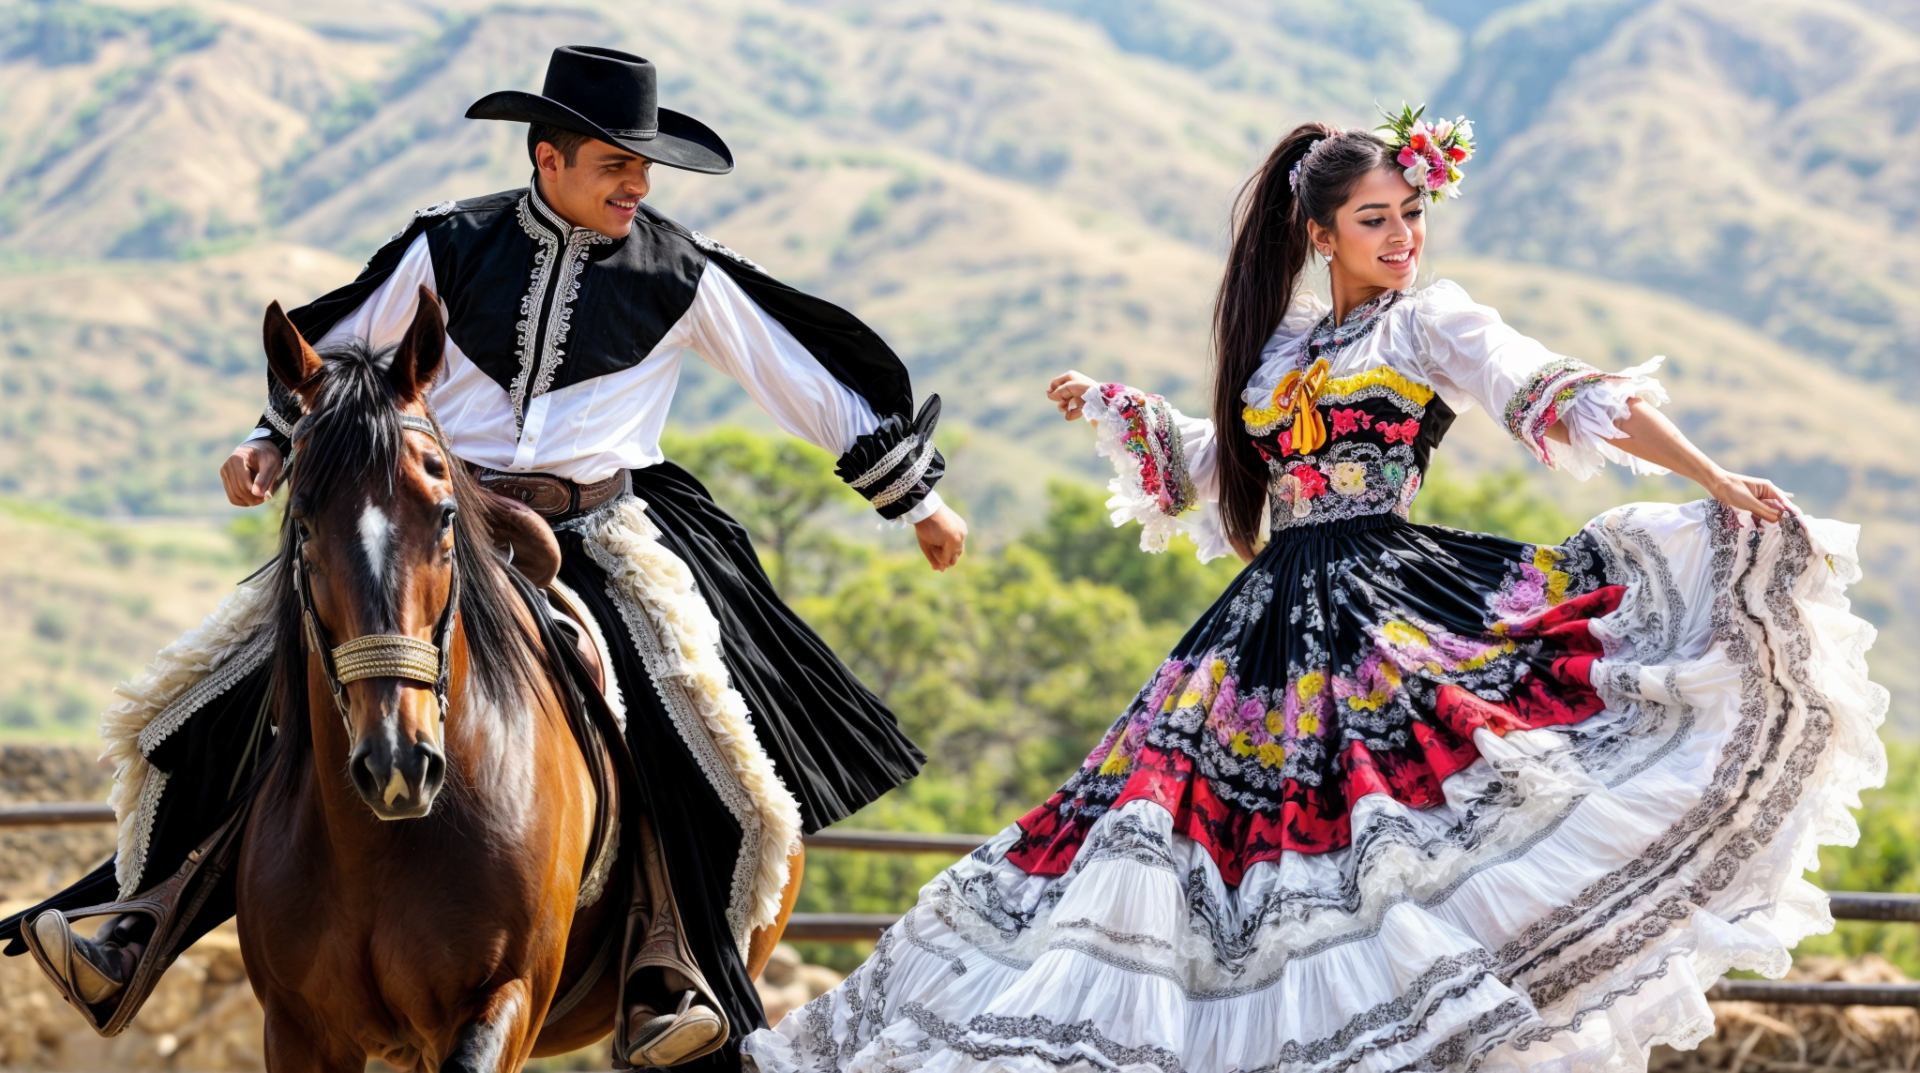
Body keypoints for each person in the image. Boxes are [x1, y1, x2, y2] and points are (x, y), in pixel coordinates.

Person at [740, 112, 1886, 1072]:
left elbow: (1554, 387)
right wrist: (1125, 410)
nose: (1403, 236)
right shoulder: (1282, 347)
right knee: (1211, 849)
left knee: (1389, 851)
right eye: (1376, 219)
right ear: (1320, 233)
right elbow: (1225, 469)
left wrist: (1712, 477)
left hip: (1391, 604)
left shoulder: (1431, 321)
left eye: (1412, 213)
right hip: (1267, 629)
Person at [2, 45, 967, 1069]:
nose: (637, 186)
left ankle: (673, 962)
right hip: (428, 515)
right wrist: (268, 445)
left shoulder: (681, 272)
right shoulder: (450, 244)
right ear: (549, 158)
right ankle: (138, 914)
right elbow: (333, 351)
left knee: (711, 743)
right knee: (207, 687)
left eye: (643, 169)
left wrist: (915, 498)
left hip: (597, 535)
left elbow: (802, 373)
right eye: (616, 164)